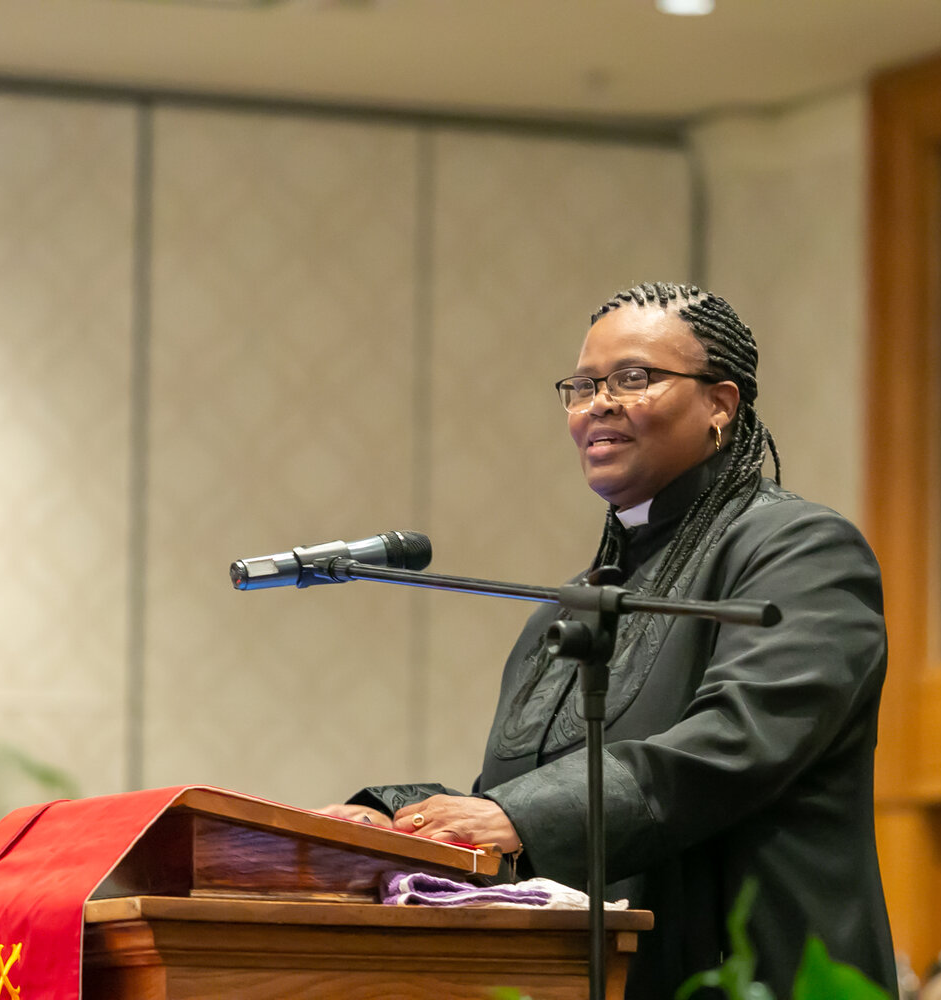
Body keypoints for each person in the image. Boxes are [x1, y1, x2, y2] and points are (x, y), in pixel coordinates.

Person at [321, 282, 898, 997]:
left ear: (720, 403)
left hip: (755, 975)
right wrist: (395, 820)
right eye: (583, 386)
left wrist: (516, 815)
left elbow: (736, 742)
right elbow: (510, 804)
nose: (598, 404)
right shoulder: (568, 609)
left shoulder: (800, 548)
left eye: (633, 378)